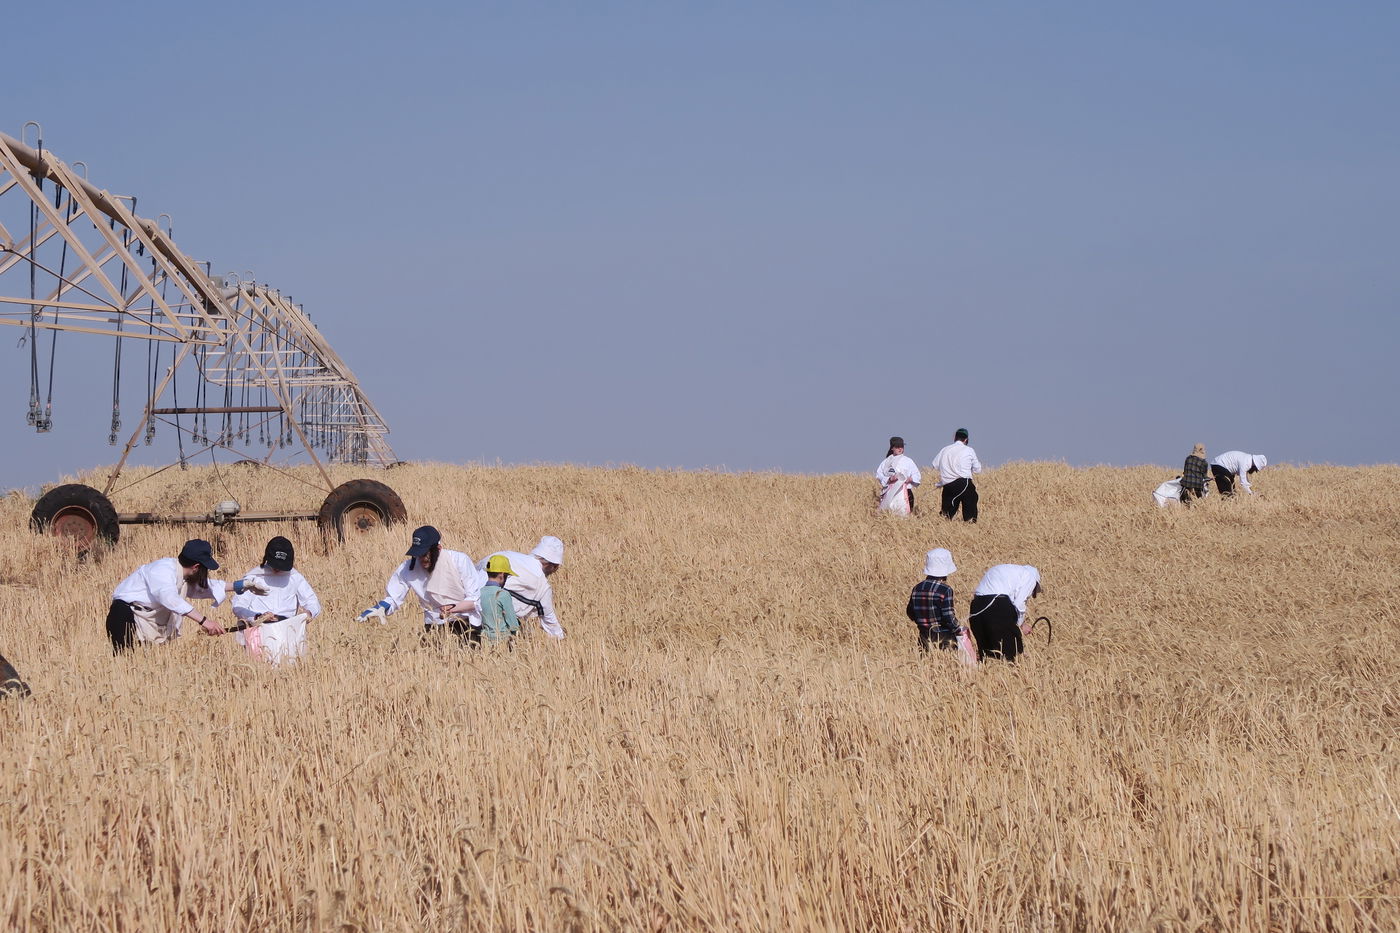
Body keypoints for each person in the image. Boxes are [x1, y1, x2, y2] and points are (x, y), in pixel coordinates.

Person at [106, 539, 267, 654]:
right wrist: (205, 622)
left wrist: (241, 585)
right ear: (197, 567)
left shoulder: (181, 574)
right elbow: (170, 599)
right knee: (126, 664)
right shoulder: (162, 571)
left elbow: (202, 588)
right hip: (125, 618)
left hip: (144, 621)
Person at [357, 525, 485, 644]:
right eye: (418, 554)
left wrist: (451, 609)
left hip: (465, 625)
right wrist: (380, 608)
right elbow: (393, 598)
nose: (422, 558)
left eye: (425, 553)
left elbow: (474, 600)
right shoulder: (408, 568)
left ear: (438, 548)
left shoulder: (459, 560)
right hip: (434, 626)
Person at [231, 536, 322, 664]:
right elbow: (238, 605)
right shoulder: (254, 577)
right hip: (258, 633)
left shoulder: (295, 577)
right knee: (260, 671)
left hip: (287, 633)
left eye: (282, 566)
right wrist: (257, 617)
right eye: (275, 565)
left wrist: (309, 613)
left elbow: (313, 602)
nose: (278, 569)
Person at [476, 536, 567, 639]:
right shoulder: (542, 586)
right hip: (492, 627)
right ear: (553, 565)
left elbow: (477, 568)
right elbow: (549, 620)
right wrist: (562, 638)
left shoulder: (506, 554)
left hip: (467, 606)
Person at [905, 549, 975, 664]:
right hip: (944, 637)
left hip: (924, 635)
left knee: (927, 666)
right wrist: (958, 630)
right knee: (946, 667)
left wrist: (923, 621)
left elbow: (910, 612)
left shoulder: (917, 587)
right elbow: (948, 616)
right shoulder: (945, 590)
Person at [968, 564, 1042, 662]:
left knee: (987, 653)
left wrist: (1021, 623)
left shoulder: (1009, 572)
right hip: (997, 605)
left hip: (976, 607)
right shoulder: (1030, 577)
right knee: (1010, 652)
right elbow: (1019, 604)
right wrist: (1019, 626)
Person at [931, 428, 982, 522]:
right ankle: (971, 525)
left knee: (946, 515)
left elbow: (935, 465)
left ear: (955, 437)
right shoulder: (969, 450)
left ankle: (943, 529)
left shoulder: (945, 449)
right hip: (964, 483)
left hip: (948, 485)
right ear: (966, 439)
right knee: (971, 503)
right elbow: (977, 469)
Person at [478, 554, 523, 645]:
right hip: (503, 642)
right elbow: (513, 625)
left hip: (484, 642)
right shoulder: (503, 594)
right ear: (502, 575)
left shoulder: (478, 593)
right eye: (507, 576)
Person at [875, 436, 921, 515]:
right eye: (897, 447)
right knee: (889, 514)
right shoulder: (886, 462)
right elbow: (879, 475)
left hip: (905, 492)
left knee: (905, 516)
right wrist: (889, 479)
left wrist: (910, 479)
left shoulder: (908, 461)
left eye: (902, 447)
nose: (900, 449)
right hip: (889, 492)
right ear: (892, 448)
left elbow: (917, 475)